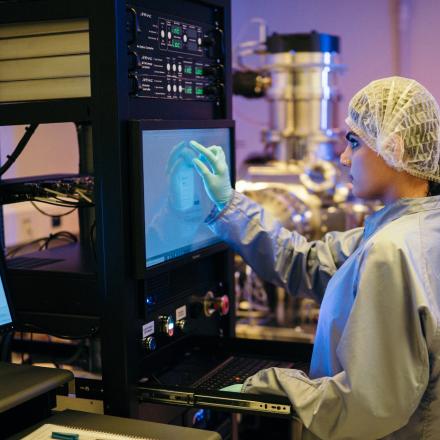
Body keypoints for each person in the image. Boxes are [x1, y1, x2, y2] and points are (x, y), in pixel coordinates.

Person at [189, 76, 440, 439]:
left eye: (354, 142)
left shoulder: (393, 250)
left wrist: (268, 384)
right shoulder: (410, 229)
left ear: (394, 148)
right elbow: (307, 262)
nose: (342, 157)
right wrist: (230, 205)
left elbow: (367, 406)